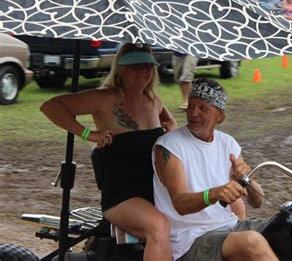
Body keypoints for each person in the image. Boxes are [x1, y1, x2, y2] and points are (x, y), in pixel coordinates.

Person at [40, 43, 177, 261]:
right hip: (123, 197)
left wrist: (170, 129)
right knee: (158, 226)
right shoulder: (106, 98)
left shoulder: (152, 100)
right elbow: (51, 106)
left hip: (156, 194)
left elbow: (169, 121)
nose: (143, 71)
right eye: (135, 66)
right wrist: (88, 134)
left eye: (147, 66)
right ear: (121, 69)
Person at [152, 77, 277, 261]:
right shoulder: (169, 146)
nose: (193, 113)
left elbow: (257, 202)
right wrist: (214, 193)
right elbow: (180, 203)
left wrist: (247, 180)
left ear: (219, 115)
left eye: (203, 108)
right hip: (191, 240)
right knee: (251, 241)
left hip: (228, 228)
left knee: (288, 228)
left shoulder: (228, 143)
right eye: (191, 105)